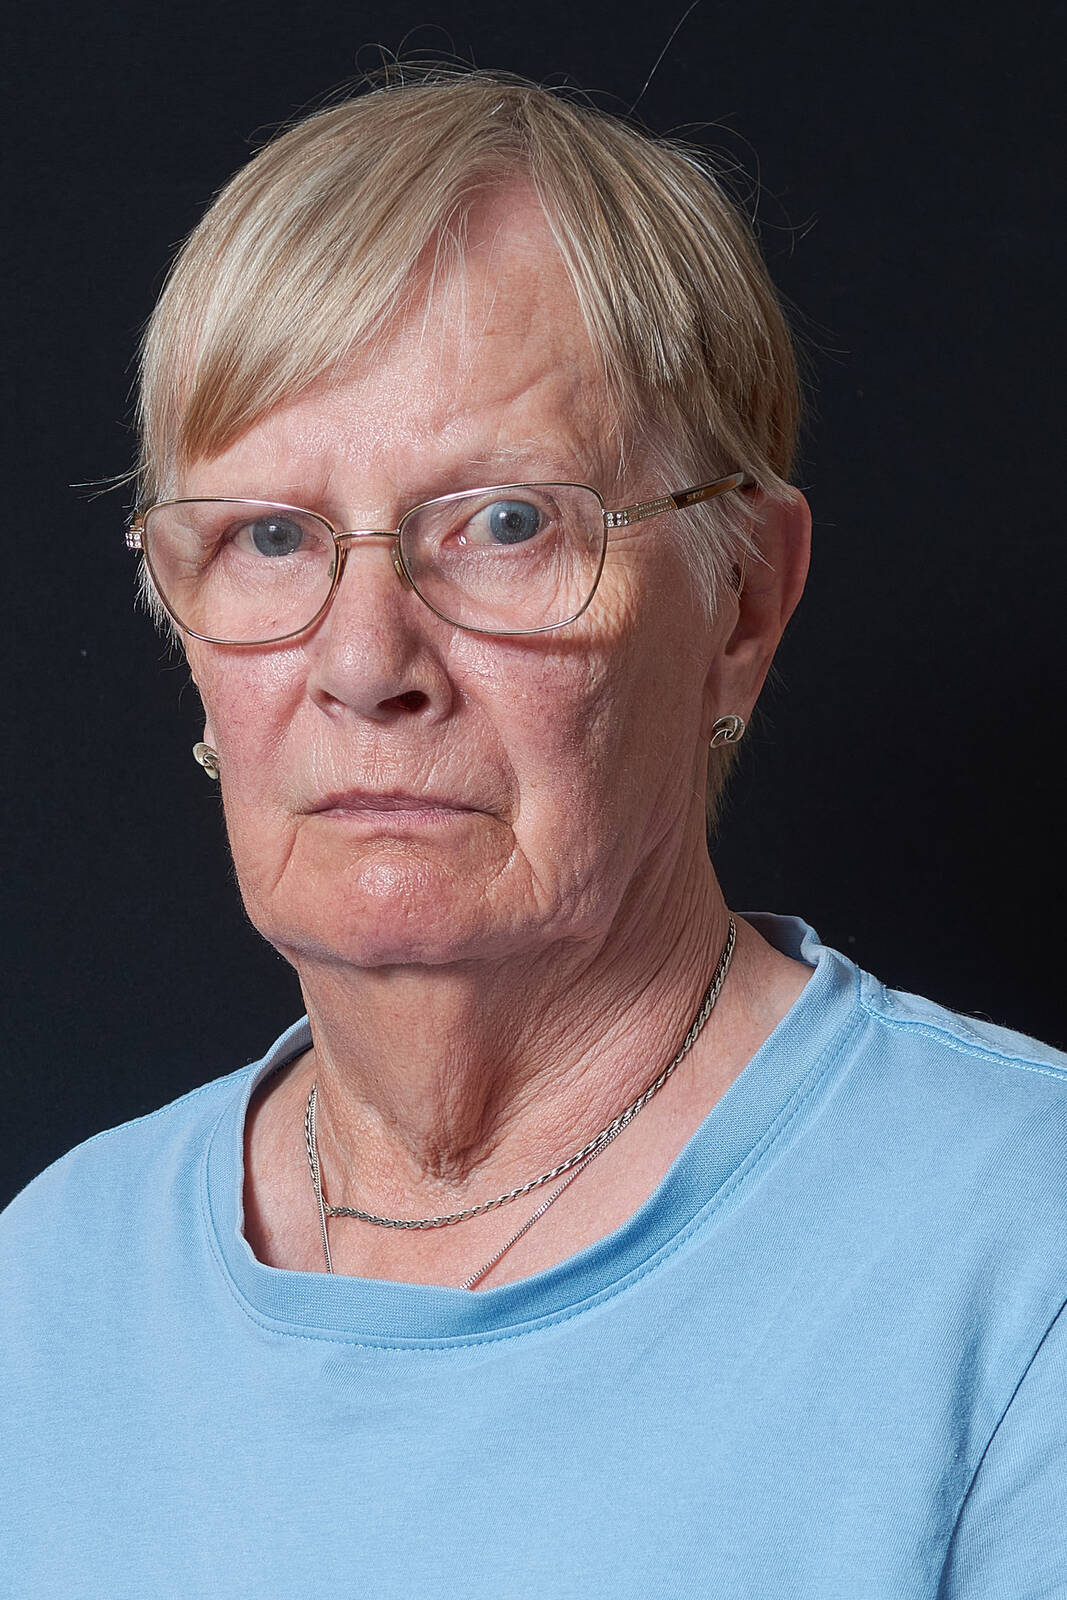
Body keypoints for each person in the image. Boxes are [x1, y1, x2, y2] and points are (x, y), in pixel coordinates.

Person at [2, 68, 1064, 1598]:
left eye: (506, 523)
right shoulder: (49, 1289)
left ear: (743, 605)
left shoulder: (1023, 1260)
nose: (365, 661)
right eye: (270, 537)